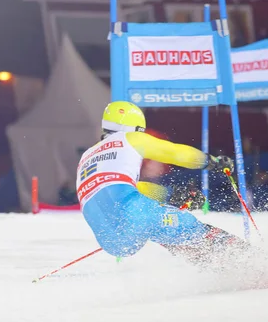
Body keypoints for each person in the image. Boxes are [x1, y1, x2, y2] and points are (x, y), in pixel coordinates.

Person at [76, 101, 247, 265]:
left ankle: (214, 263)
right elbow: (175, 153)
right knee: (192, 229)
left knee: (166, 232)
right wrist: (212, 162)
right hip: (137, 215)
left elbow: (124, 190)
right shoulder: (130, 138)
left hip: (111, 241)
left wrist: (171, 195)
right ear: (136, 127)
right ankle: (250, 261)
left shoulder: (86, 157)